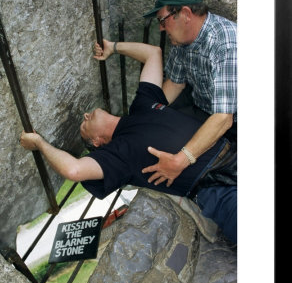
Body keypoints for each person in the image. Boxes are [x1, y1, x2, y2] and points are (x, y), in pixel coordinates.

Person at [20, 40, 237, 243]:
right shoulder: (115, 155)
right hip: (215, 189)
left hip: (234, 152)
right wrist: (39, 143)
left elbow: (153, 53)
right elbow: (74, 170)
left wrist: (113, 47)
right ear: (96, 142)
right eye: (83, 126)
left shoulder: (142, 104)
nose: (85, 116)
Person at [141, 0, 237, 189]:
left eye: (163, 20)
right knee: (157, 133)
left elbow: (224, 118)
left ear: (184, 13)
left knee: (210, 176)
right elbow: (175, 83)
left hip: (234, 122)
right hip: (203, 109)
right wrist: (146, 116)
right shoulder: (182, 40)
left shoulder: (226, 43)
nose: (161, 28)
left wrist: (181, 160)